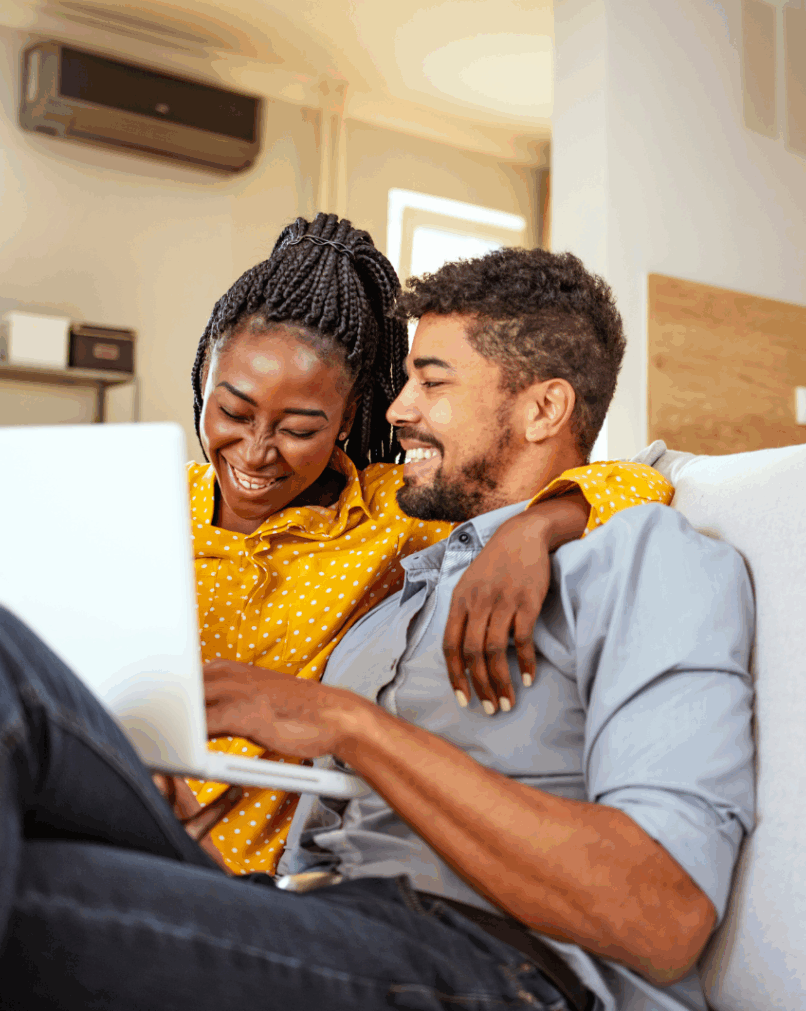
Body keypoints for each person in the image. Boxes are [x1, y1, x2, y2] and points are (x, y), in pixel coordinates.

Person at [0, 247, 753, 1011]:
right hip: (299, 906)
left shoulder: (642, 558)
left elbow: (663, 919)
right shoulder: (405, 590)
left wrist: (346, 724)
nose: (397, 409)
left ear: (544, 406)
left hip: (487, 964)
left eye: (429, 380)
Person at [183, 213, 673, 873]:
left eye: (299, 427)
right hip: (115, 814)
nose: (256, 451)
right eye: (233, 413)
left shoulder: (395, 511)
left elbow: (644, 478)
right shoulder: (148, 507)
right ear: (203, 382)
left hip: (246, 875)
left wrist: (539, 526)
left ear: (348, 418)